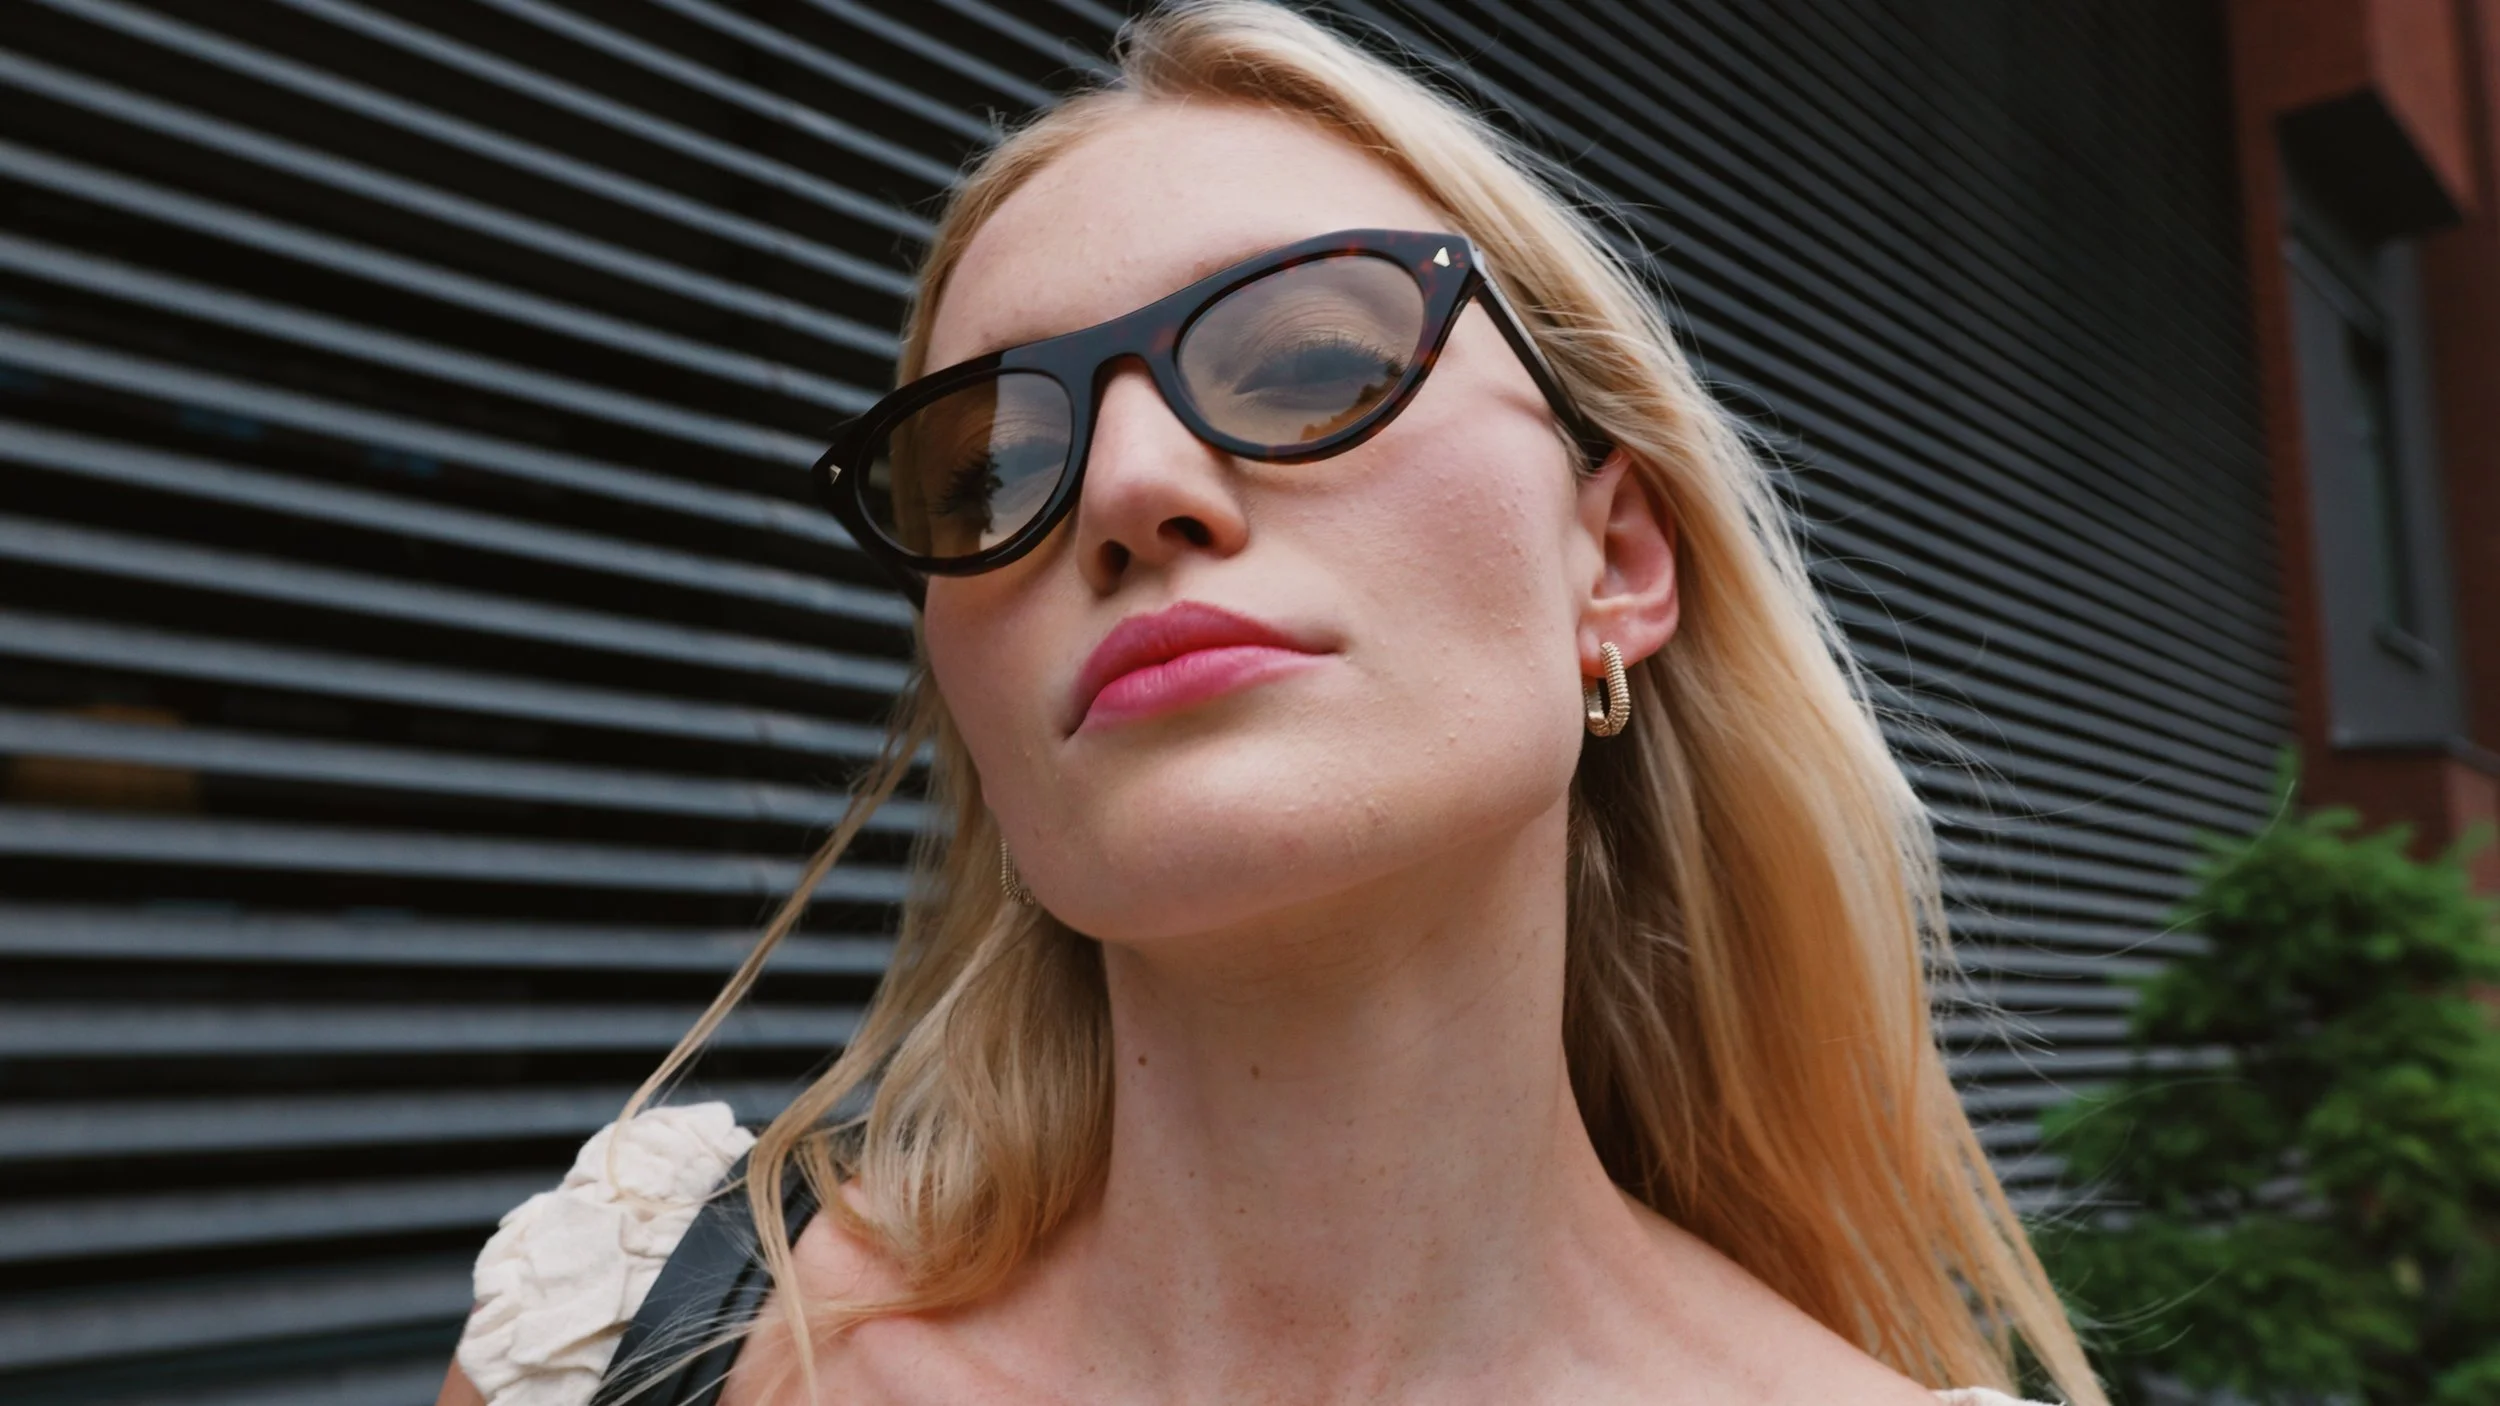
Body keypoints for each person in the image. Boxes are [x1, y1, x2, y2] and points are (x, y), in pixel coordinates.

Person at [437, 3, 2106, 1403]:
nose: (1130, 485)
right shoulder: (636, 1333)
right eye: (996, 460)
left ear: (1616, 562)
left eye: (1312, 361)